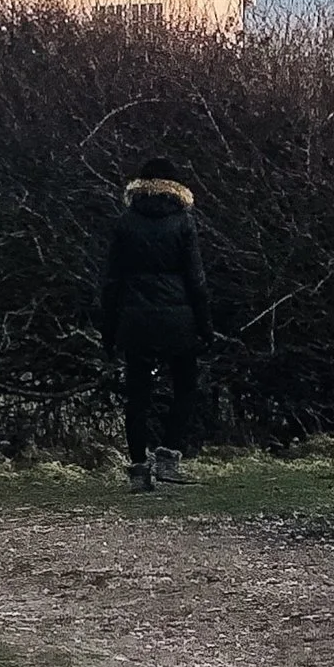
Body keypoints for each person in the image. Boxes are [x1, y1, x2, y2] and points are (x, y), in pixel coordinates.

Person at [99, 156, 211, 489]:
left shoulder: (125, 222)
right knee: (186, 386)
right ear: (176, 189)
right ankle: (169, 457)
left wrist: (108, 331)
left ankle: (137, 471)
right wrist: (205, 325)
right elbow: (197, 280)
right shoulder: (183, 222)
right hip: (178, 320)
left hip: (135, 320)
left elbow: (111, 282)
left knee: (137, 395)